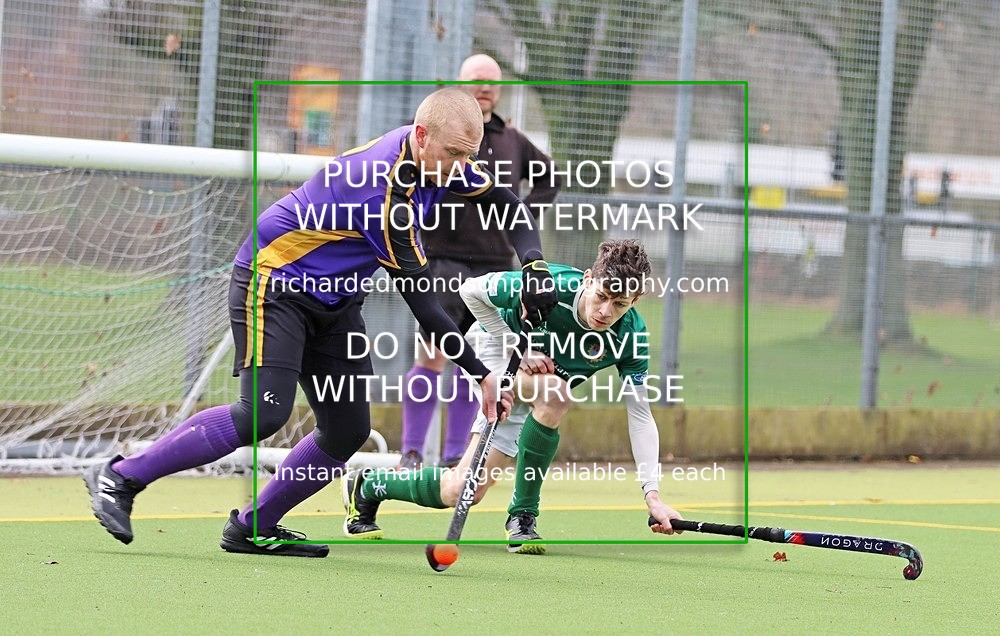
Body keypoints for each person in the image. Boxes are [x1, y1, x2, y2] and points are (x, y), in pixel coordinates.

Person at [84, 87, 558, 557]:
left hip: (336, 298)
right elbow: (422, 301)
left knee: (347, 429)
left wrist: (533, 263)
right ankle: (120, 477)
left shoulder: (440, 158)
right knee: (262, 414)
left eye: (467, 156)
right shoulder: (384, 190)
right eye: (454, 153)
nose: (460, 166)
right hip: (275, 283)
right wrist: (480, 374)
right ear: (421, 134)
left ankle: (255, 526)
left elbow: (505, 201)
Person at [343, 240, 682, 553]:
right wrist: (513, 345)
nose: (605, 312)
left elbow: (640, 416)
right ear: (589, 279)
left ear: (635, 301)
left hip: (535, 382)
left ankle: (370, 486)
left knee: (460, 491)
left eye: (620, 304)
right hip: (491, 347)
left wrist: (652, 495)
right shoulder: (552, 285)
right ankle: (523, 517)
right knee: (556, 394)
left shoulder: (630, 337)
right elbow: (470, 290)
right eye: (602, 296)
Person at [398, 53, 561, 470]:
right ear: (459, 84)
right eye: (476, 80)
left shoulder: (513, 139)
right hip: (442, 259)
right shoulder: (434, 135)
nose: (485, 87)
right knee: (434, 352)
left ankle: (456, 455)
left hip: (495, 264)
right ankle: (412, 452)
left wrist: (523, 216)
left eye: (492, 81)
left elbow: (550, 178)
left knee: (480, 360)